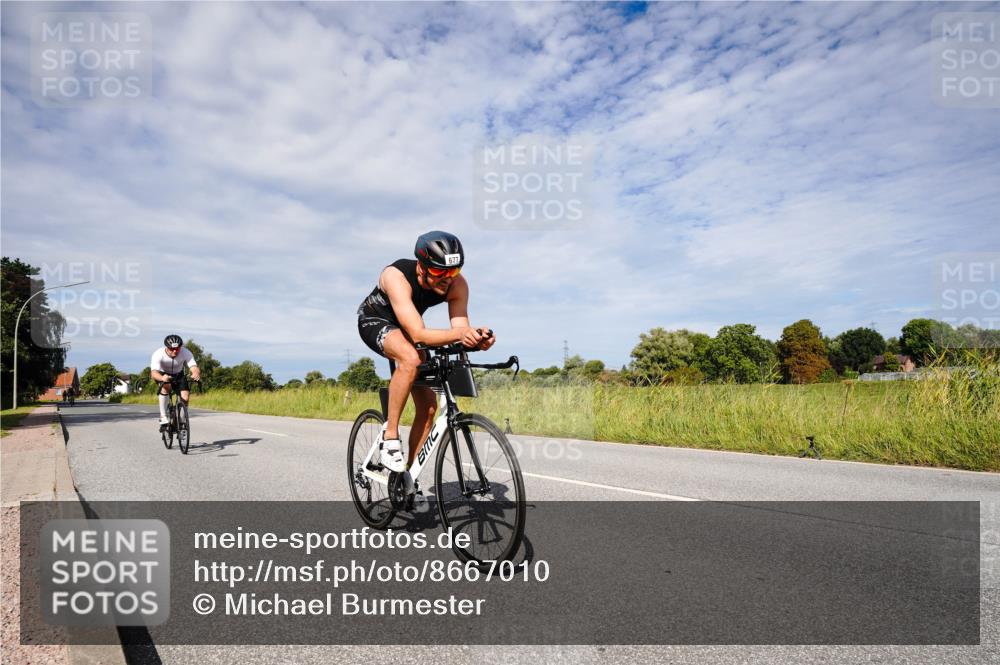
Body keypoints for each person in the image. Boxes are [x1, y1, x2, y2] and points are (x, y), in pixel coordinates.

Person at [357, 230, 494, 480]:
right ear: (421, 267)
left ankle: (407, 479)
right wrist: (461, 334)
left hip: (409, 327)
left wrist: (476, 340)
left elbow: (459, 331)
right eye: (441, 272)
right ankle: (390, 437)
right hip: (376, 320)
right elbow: (419, 334)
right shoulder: (395, 276)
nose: (448, 279)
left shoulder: (457, 284)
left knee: (430, 408)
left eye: (453, 271)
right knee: (410, 358)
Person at [150, 335, 201, 431]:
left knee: (185, 397)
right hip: (163, 374)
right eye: (172, 349)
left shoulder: (185, 352)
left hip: (179, 374)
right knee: (166, 387)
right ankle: (163, 416)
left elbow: (194, 366)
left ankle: (180, 420)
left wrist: (195, 373)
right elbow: (153, 373)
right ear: (166, 347)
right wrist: (162, 377)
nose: (175, 351)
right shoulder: (158, 354)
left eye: (177, 349)